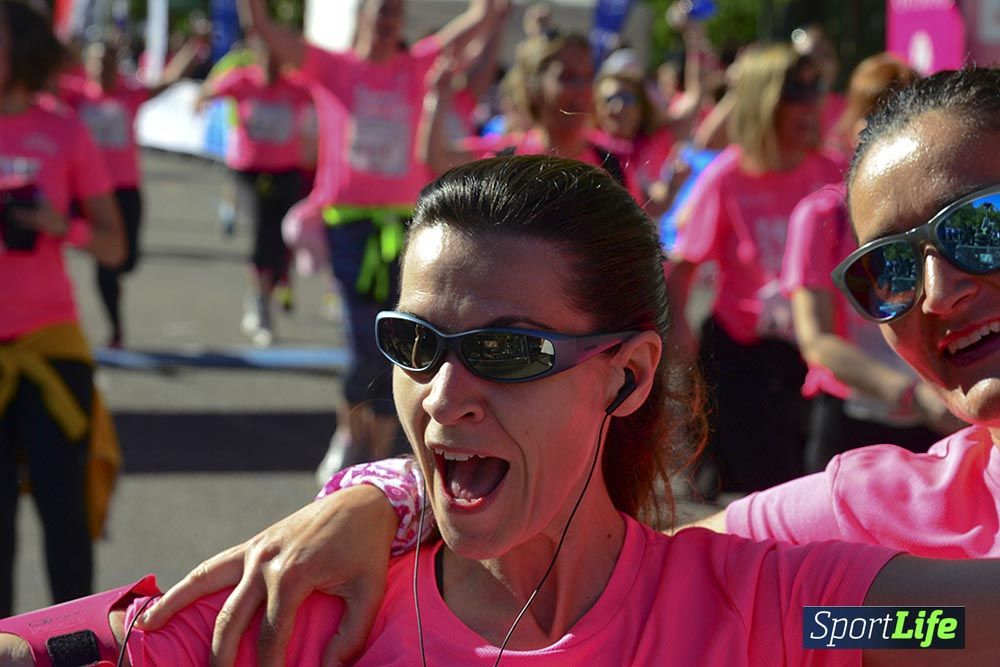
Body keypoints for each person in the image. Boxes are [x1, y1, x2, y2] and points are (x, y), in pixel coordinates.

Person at [12, 154, 1000, 666]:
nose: (444, 397)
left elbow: (949, 629)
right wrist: (385, 493)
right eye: (414, 344)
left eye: (506, 352)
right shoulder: (310, 612)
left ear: (623, 376)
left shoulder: (778, 613)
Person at [242, 0, 499, 479]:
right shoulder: (334, 67)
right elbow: (265, 28)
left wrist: (489, 11)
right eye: (381, 10)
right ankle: (347, 432)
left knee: (397, 343)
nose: (389, 20)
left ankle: (380, 460)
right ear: (361, 15)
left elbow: (464, 32)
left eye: (396, 13)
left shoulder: (413, 67)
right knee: (364, 344)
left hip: (407, 226)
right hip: (349, 227)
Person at [666, 42, 842, 497]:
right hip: (742, 356)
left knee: (812, 484)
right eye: (793, 93)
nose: (808, 105)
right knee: (761, 488)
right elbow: (682, 268)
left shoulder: (834, 173)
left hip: (812, 353)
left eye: (815, 90)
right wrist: (681, 333)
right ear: (763, 101)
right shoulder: (728, 177)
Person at [0, 0, 125, 617]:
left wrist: (59, 224)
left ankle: (76, 644)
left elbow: (113, 242)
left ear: (20, 49)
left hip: (51, 349)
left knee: (63, 515)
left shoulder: (66, 130)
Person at [781, 53, 959, 474]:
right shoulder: (821, 215)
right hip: (851, 424)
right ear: (851, 125)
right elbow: (816, 341)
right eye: (873, 115)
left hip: (936, 423)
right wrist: (911, 395)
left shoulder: (937, 216)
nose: (886, 134)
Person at [61, 33, 207, 348]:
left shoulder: (129, 95)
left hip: (127, 191)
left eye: (108, 63)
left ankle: (116, 276)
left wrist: (193, 48)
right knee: (106, 265)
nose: (102, 70)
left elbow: (170, 79)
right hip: (93, 197)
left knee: (127, 260)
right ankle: (115, 327)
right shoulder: (75, 96)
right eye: (96, 63)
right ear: (86, 67)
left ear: (117, 67)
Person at [198, 36, 312, 347]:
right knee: (263, 234)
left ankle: (265, 291)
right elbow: (208, 91)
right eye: (267, 59)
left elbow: (326, 102)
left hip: (287, 170)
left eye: (279, 60)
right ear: (257, 57)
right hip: (249, 170)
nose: (273, 67)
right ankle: (261, 306)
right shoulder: (241, 80)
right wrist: (201, 99)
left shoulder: (297, 86)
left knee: (283, 238)